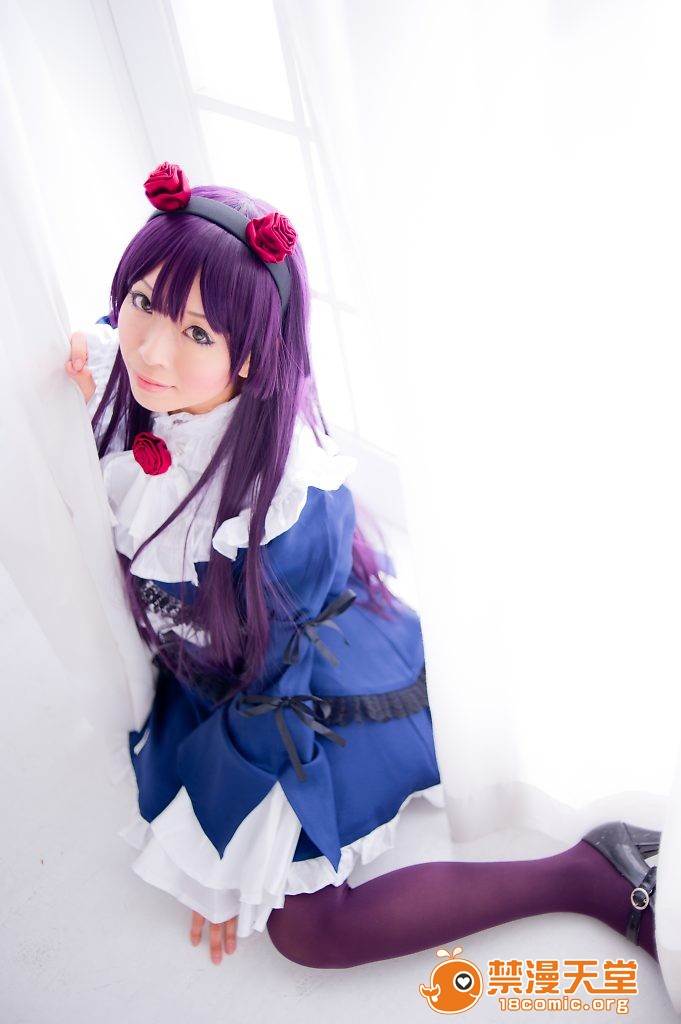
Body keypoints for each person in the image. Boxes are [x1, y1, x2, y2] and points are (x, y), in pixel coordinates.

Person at [65, 161, 660, 969]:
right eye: (142, 302)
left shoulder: (286, 505)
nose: (151, 350)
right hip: (203, 659)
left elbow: (273, 687)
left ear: (252, 357)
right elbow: (119, 333)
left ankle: (588, 875)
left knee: (309, 932)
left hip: (295, 677)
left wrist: (220, 840)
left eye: (198, 334)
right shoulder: (121, 363)